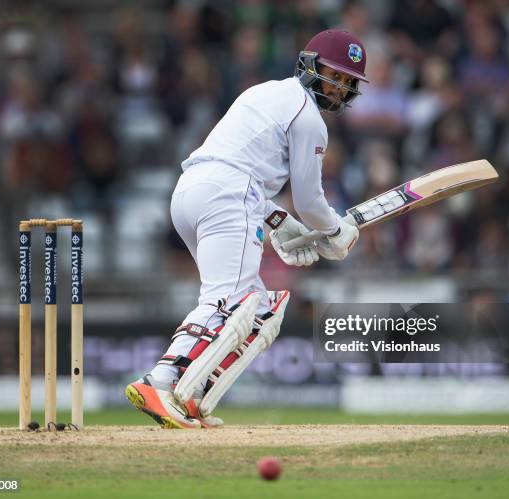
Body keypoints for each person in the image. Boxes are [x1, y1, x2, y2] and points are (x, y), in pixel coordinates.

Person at [125, 29, 368, 428]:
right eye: (333, 74)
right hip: (228, 195)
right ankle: (160, 380)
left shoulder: (264, 91)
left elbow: (244, 167)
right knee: (228, 299)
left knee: (257, 308)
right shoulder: (308, 118)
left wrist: (278, 222)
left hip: (192, 192)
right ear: (310, 64)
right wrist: (336, 231)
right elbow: (309, 201)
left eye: (346, 81)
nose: (338, 87)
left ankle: (190, 392)